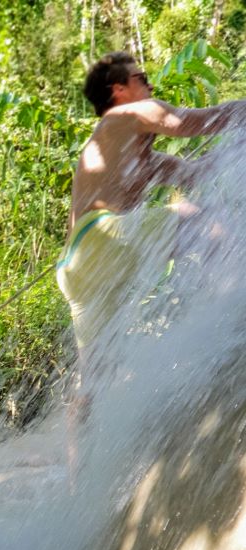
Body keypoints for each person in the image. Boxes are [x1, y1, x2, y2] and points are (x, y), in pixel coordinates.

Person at [58, 51, 246, 351]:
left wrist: (232, 149)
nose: (151, 88)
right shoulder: (124, 115)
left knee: (98, 377)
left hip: (78, 270)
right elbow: (198, 121)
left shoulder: (136, 159)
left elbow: (197, 173)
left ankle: (85, 399)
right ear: (117, 89)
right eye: (142, 79)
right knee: (206, 222)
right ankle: (235, 310)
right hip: (99, 238)